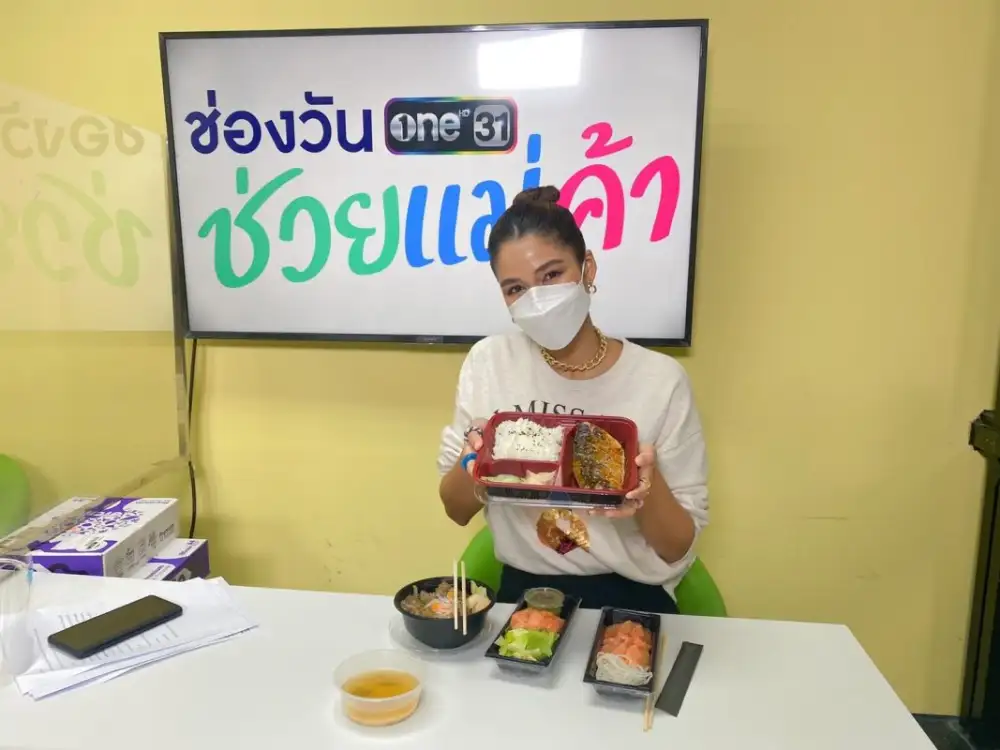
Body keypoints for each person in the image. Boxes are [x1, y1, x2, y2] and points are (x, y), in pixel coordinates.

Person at [436, 186, 708, 613]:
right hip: (524, 595)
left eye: (551, 275)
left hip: (633, 597)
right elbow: (455, 509)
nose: (537, 300)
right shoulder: (489, 362)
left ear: (587, 268)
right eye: (515, 288)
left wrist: (646, 486)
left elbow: (676, 547)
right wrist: (478, 457)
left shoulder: (659, 379)